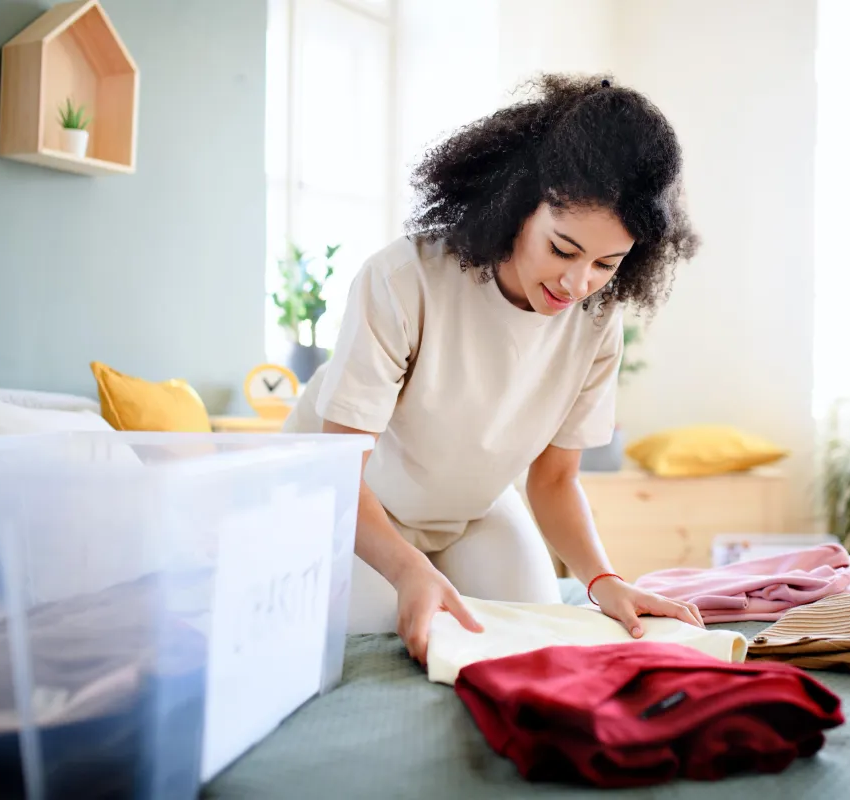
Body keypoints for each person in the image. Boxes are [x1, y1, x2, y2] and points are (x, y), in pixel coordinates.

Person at [284, 74, 703, 663]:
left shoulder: (597, 319)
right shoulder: (404, 280)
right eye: (562, 249)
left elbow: (555, 481)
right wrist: (408, 572)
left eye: (607, 263)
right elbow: (338, 474)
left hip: (468, 511)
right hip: (344, 504)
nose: (577, 283)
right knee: (395, 639)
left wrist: (604, 581)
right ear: (515, 205)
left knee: (536, 632)